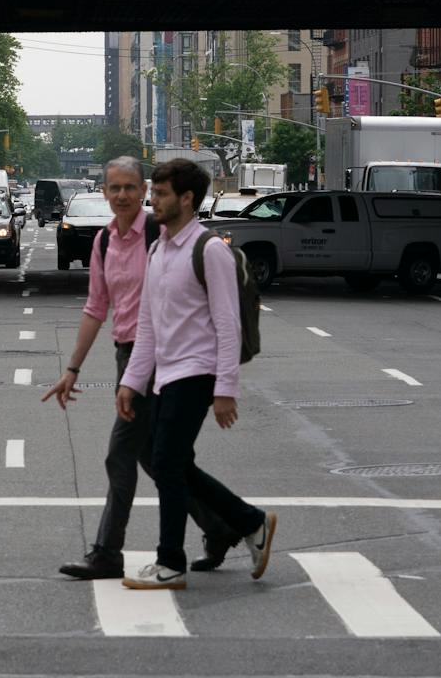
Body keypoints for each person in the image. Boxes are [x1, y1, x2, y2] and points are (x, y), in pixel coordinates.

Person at [42, 158, 229, 581]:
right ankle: (222, 526)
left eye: (130, 187)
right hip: (130, 356)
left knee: (122, 454)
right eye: (114, 188)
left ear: (144, 189)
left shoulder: (159, 234)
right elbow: (96, 307)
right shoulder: (104, 243)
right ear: (104, 192)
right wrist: (72, 368)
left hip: (167, 359)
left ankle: (108, 552)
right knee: (161, 459)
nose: (122, 195)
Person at [116, 158, 277, 591]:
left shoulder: (210, 251)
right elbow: (147, 326)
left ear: (187, 199)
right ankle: (251, 522)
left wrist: (226, 388)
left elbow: (228, 324)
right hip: (167, 374)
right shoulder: (158, 250)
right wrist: (132, 382)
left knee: (166, 462)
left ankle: (170, 562)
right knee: (174, 462)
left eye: (162, 194)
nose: (153, 200)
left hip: (198, 371)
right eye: (155, 192)